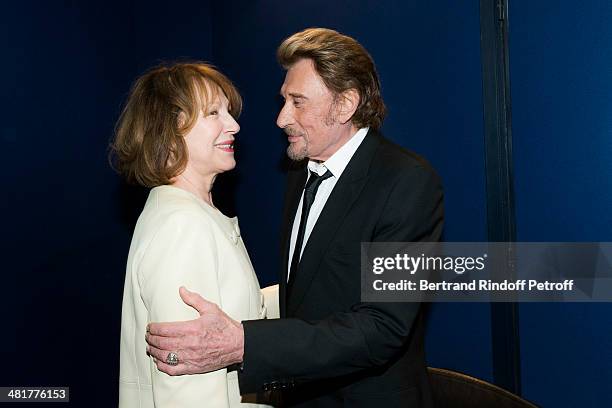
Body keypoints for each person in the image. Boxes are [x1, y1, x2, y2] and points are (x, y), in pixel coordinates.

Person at [146, 28, 444, 407]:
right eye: (283, 100)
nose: (281, 118)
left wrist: (244, 343)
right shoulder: (300, 169)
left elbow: (383, 327)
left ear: (345, 104)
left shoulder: (407, 182)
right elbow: (313, 288)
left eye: (297, 102)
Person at [112, 62, 271, 408]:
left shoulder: (192, 214)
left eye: (228, 112)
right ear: (169, 131)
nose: (234, 125)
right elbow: (186, 390)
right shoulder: (182, 226)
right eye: (213, 113)